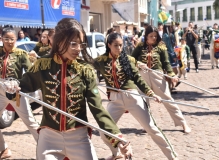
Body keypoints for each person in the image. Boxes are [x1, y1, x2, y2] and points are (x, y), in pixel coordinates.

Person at [5, 18, 132, 160]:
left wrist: (116, 137)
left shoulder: (85, 71)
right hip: (49, 138)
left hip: (78, 137)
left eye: (81, 44)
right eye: (73, 44)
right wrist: (12, 86)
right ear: (59, 42)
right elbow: (21, 87)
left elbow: (98, 109)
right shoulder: (43, 66)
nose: (78, 48)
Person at [94, 33, 179, 160]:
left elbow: (138, 79)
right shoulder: (101, 61)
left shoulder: (127, 59)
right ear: (109, 45)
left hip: (132, 97)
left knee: (152, 128)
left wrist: (151, 94)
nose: (119, 48)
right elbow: (85, 66)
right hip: (114, 100)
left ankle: (173, 157)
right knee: (104, 131)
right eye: (116, 45)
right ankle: (116, 153)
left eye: (121, 45)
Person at [131, 25, 191, 134]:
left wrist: (172, 74)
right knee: (144, 102)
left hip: (157, 75)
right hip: (142, 76)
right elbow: (131, 59)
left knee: (168, 99)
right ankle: (148, 125)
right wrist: (138, 63)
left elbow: (166, 63)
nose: (153, 38)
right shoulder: (140, 46)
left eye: (155, 36)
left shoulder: (161, 46)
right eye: (151, 36)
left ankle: (183, 123)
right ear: (146, 36)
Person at [0, 26, 39, 159]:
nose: (10, 42)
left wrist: (20, 84)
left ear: (16, 39)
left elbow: (29, 72)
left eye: (12, 39)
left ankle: (45, 148)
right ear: (1, 39)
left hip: (15, 91)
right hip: (0, 90)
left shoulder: (21, 54)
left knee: (30, 121)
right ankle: (3, 149)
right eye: (6, 39)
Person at [162, 23, 178, 91]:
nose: (172, 28)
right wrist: (173, 55)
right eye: (171, 27)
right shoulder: (166, 36)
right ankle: (172, 86)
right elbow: (169, 47)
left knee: (171, 71)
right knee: (172, 71)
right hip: (169, 54)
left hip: (169, 53)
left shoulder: (169, 35)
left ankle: (171, 85)